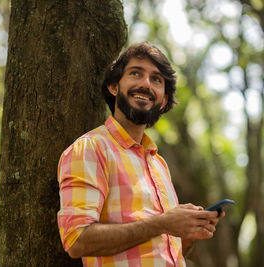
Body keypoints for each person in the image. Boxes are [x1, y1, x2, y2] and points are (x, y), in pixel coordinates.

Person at [57, 42, 224, 266]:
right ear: (114, 86)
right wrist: (163, 223)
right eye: (136, 73)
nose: (145, 84)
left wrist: (187, 234)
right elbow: (77, 241)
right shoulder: (91, 148)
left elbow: (160, 249)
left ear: (163, 99)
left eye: (156, 79)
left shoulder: (158, 163)